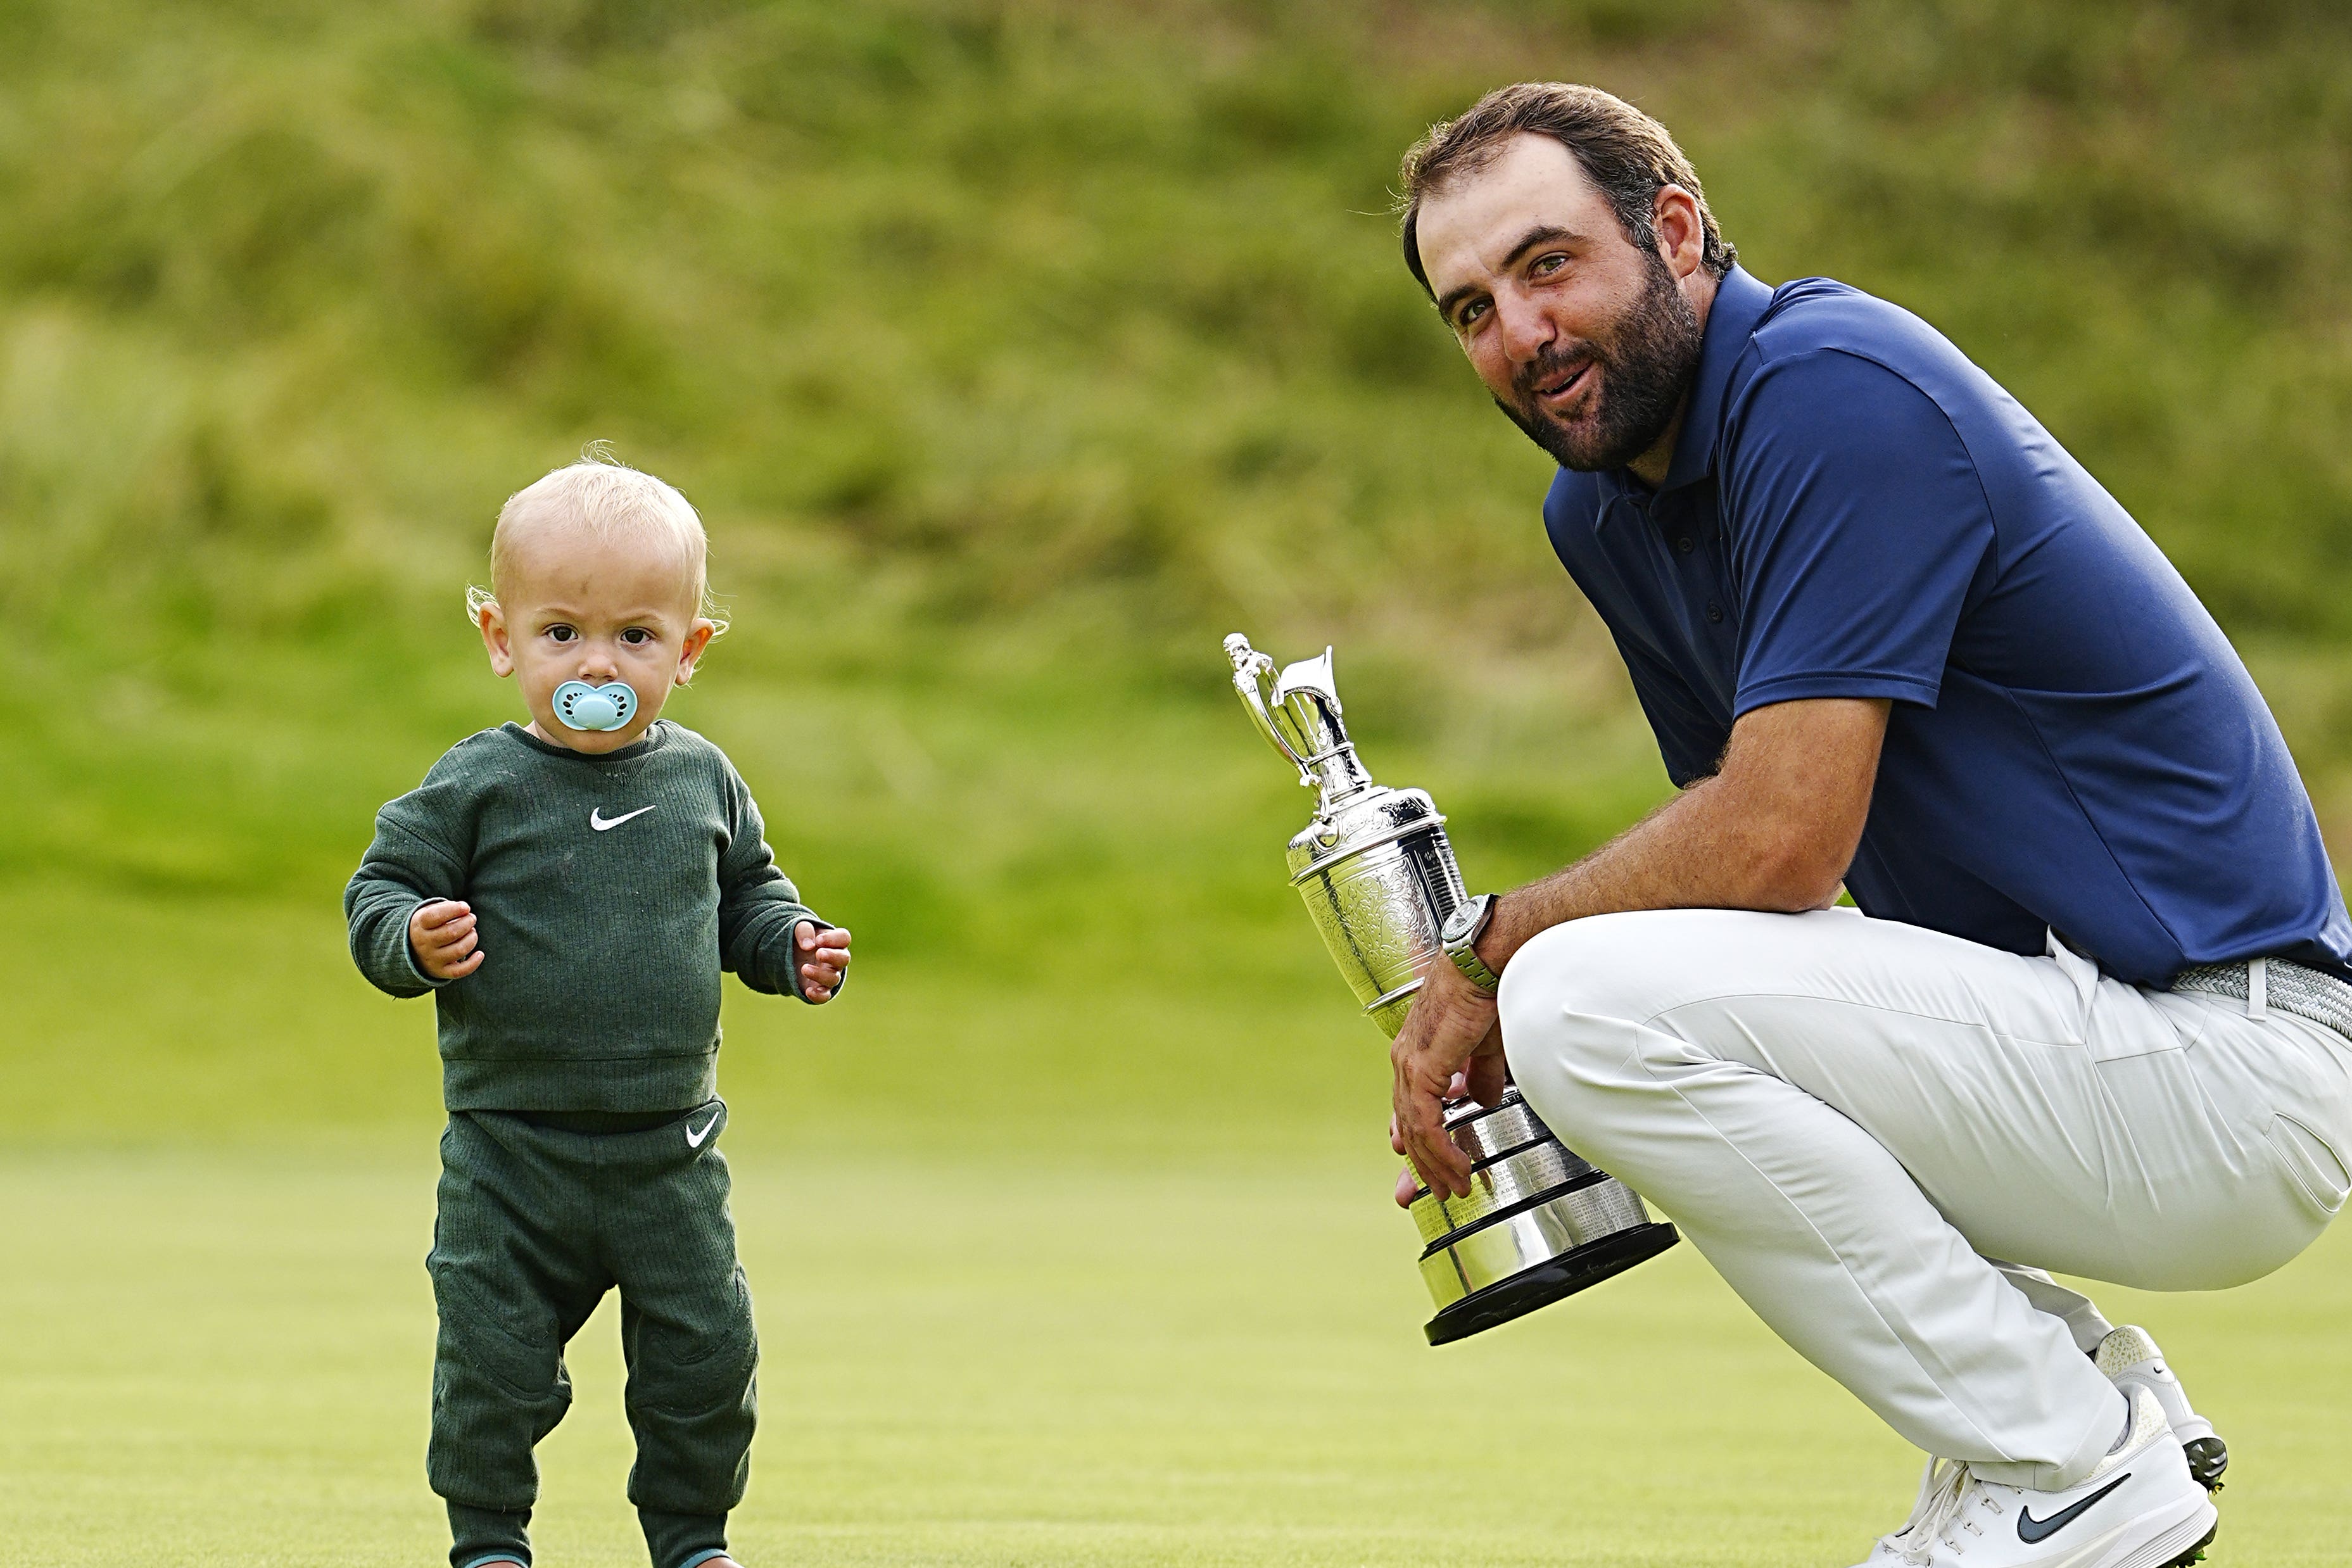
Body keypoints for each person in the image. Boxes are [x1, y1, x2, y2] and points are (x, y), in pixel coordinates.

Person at [1384, 82, 2352, 1568]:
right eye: (1471, 310)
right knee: (1593, 1007)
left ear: (1678, 231)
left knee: (1581, 992)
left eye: (1548, 264)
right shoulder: (1601, 516)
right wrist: (1526, 1024)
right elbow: (1745, 912)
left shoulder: (1832, 384)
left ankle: (2068, 1464)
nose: (1520, 333)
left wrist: (1492, 951)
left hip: (2240, 1059)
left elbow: (1781, 840)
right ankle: (2077, 1396)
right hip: (2084, 1045)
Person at [345, 454, 852, 1568]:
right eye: (561, 633)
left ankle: (691, 1539)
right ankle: (488, 1539)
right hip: (510, 1152)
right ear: (500, 637)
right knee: (490, 1355)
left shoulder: (702, 782)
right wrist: (411, 938)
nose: (598, 666)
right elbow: (378, 891)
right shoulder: (478, 783)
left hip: (667, 1153)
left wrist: (791, 947)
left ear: (690, 648)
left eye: (636, 635)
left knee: (704, 1357)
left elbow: (749, 899)